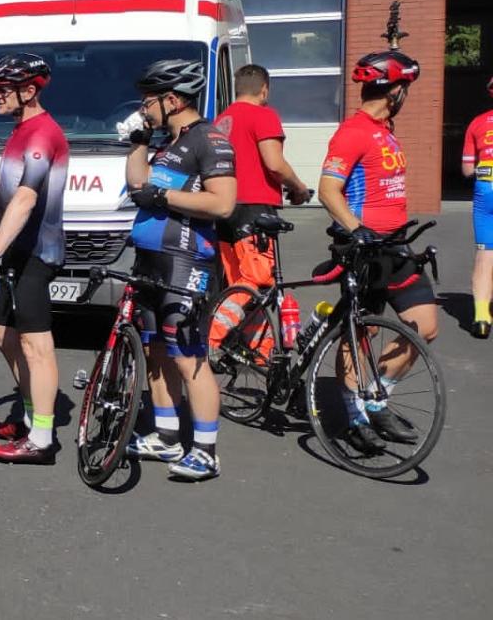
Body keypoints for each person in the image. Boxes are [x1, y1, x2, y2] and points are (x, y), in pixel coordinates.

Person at [121, 59, 238, 481]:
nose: (143, 106)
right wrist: (139, 140)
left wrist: (165, 195)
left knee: (189, 355)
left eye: (148, 101)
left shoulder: (210, 140)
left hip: (185, 261)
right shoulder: (168, 141)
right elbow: (138, 185)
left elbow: (223, 203)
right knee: (155, 352)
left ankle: (205, 450)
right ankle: (166, 435)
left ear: (172, 100)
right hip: (150, 261)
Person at [318, 49, 438, 453]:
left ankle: (375, 396)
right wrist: (358, 230)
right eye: (406, 89)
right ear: (396, 91)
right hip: (363, 247)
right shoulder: (352, 132)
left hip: (395, 244)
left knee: (425, 325)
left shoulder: (385, 130)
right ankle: (352, 415)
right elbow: (328, 190)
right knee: (360, 333)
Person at [0, 53, 69, 464]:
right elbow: (5, 191)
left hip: (37, 252)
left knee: (36, 345)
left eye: (2, 89)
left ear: (28, 91)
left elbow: (25, 198)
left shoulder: (43, 134)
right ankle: (29, 416)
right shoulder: (20, 130)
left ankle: (42, 440)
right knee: (3, 336)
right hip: (13, 250)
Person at [210, 64, 314, 358]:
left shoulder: (221, 121)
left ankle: (260, 353)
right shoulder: (263, 115)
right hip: (254, 210)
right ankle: (211, 338)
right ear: (264, 89)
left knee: (240, 286)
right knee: (257, 279)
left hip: (224, 210)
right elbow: (274, 163)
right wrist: (299, 188)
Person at [462, 77, 493, 339]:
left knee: (485, 256)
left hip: (485, 191)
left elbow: (467, 169)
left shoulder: (477, 123)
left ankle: (482, 318)